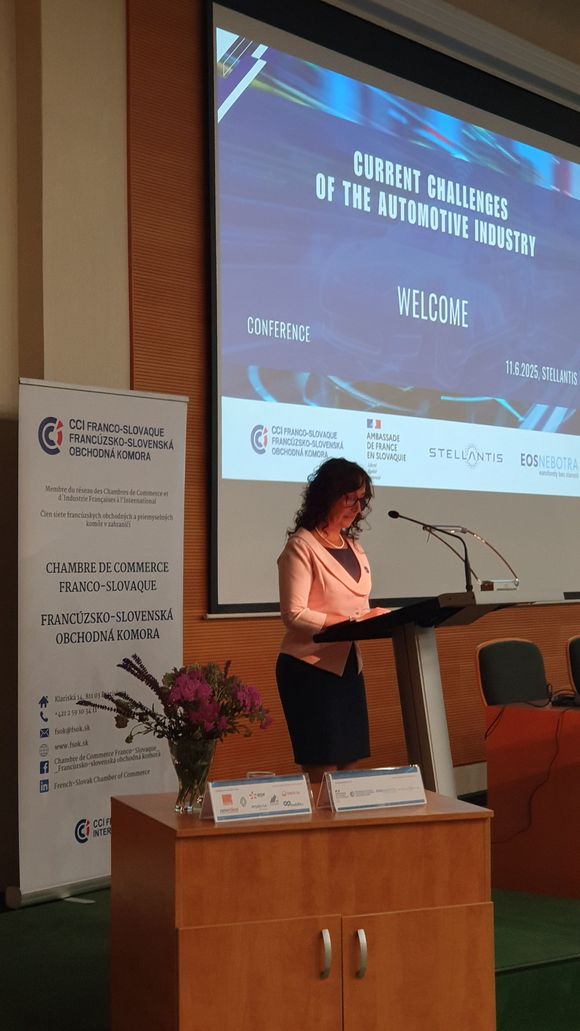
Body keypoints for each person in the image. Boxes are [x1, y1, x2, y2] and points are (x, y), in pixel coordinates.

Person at [276, 458, 388, 789]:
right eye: (350, 498)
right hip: (309, 669)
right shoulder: (301, 547)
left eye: (362, 500)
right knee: (323, 775)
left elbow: (359, 607)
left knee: (350, 774)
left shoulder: (355, 548)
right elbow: (294, 614)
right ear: (327, 495)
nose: (357, 507)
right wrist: (350, 621)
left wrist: (374, 618)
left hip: (349, 668)